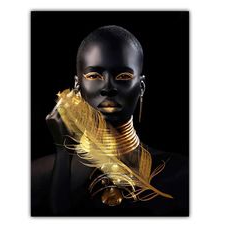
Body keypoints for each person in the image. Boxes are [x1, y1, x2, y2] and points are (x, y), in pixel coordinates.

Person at [31, 25, 189, 216]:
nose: (108, 87)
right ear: (77, 85)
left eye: (123, 76)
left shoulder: (182, 173)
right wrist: (63, 153)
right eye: (94, 76)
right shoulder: (38, 176)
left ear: (141, 87)